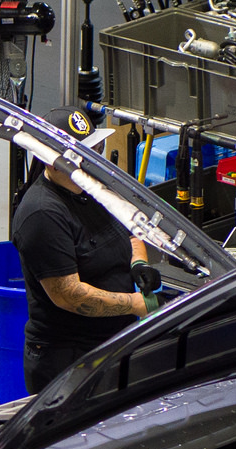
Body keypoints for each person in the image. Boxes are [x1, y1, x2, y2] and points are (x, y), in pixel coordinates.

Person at [12, 108, 156, 393]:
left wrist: (138, 263)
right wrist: (139, 304)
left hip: (111, 342)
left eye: (95, 149)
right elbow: (70, 295)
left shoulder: (93, 187)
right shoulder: (42, 213)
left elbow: (130, 229)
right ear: (51, 162)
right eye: (81, 155)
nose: (91, 161)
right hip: (69, 361)